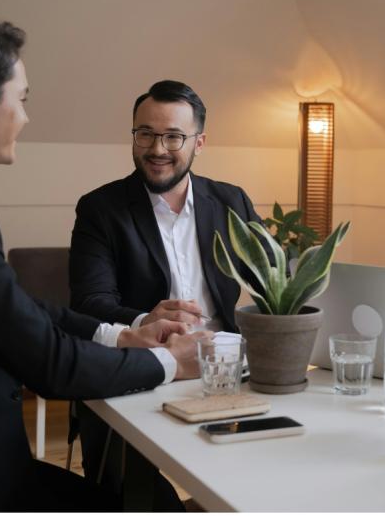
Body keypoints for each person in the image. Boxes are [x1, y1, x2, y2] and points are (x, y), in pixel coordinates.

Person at [0, 13, 210, 511]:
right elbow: (48, 363)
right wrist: (167, 362)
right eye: (21, 98)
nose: (25, 117)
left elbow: (16, 307)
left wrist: (120, 335)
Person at [69, 80, 265, 508]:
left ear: (199, 141)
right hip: (139, 370)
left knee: (272, 471)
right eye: (145, 133)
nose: (157, 148)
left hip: (228, 371)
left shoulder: (232, 201)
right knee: (134, 497)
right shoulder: (100, 208)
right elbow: (88, 303)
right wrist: (145, 321)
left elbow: (273, 281)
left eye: (173, 136)